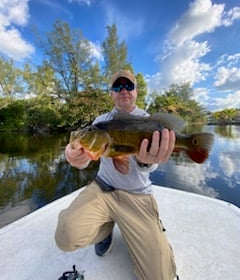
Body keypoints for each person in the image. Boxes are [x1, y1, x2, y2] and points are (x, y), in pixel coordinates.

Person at [55, 70, 178, 280]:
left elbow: (150, 166)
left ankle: (142, 228)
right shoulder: (101, 121)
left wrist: (146, 160)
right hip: (102, 188)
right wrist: (74, 155)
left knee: (160, 276)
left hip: (137, 195)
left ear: (136, 91)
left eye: (128, 86)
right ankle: (105, 229)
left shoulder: (149, 122)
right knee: (65, 235)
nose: (123, 91)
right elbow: (86, 158)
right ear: (111, 93)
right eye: (117, 87)